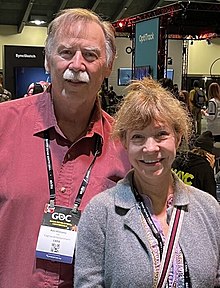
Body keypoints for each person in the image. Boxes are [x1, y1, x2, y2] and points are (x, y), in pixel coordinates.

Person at [0, 8, 131, 288]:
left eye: (90, 55)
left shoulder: (125, 146)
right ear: (47, 61)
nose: (77, 65)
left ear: (108, 66)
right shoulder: (3, 126)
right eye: (66, 52)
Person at [74, 77, 220, 288]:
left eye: (161, 134)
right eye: (138, 137)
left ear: (178, 138)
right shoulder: (101, 213)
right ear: (124, 142)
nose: (150, 148)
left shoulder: (209, 209)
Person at [172, 130, 217, 199]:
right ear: (209, 154)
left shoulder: (177, 161)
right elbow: (211, 199)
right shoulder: (204, 169)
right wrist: (209, 169)